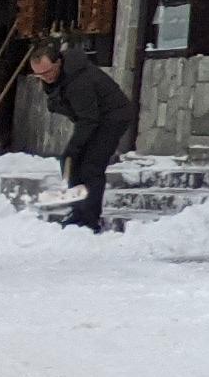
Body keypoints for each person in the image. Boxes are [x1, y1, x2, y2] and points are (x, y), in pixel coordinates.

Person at [29, 37, 133, 231]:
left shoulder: (78, 81)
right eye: (40, 75)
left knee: (91, 164)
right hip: (94, 118)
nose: (46, 78)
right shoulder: (58, 78)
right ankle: (78, 211)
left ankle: (89, 219)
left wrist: (74, 146)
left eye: (48, 71)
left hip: (113, 117)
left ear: (58, 62)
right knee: (71, 161)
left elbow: (88, 118)